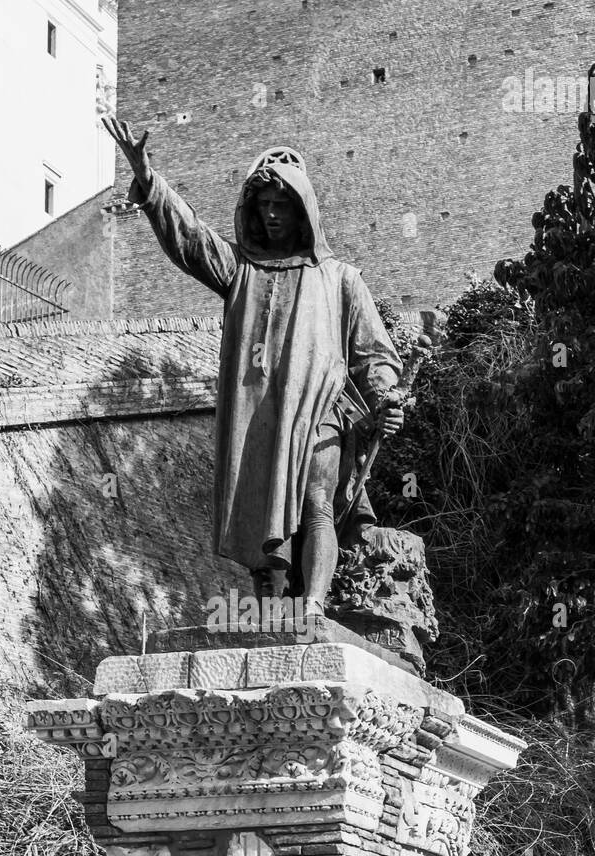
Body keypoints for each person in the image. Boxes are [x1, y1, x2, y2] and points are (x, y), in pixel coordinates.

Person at [102, 119, 405, 616]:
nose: (271, 214)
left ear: (302, 209)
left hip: (318, 410)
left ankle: (312, 608)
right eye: (263, 205)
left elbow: (374, 354)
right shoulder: (241, 270)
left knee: (317, 504)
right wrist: (149, 180)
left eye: (281, 204)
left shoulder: (339, 278)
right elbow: (190, 239)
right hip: (256, 417)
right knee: (259, 523)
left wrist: (385, 395)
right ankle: (269, 615)